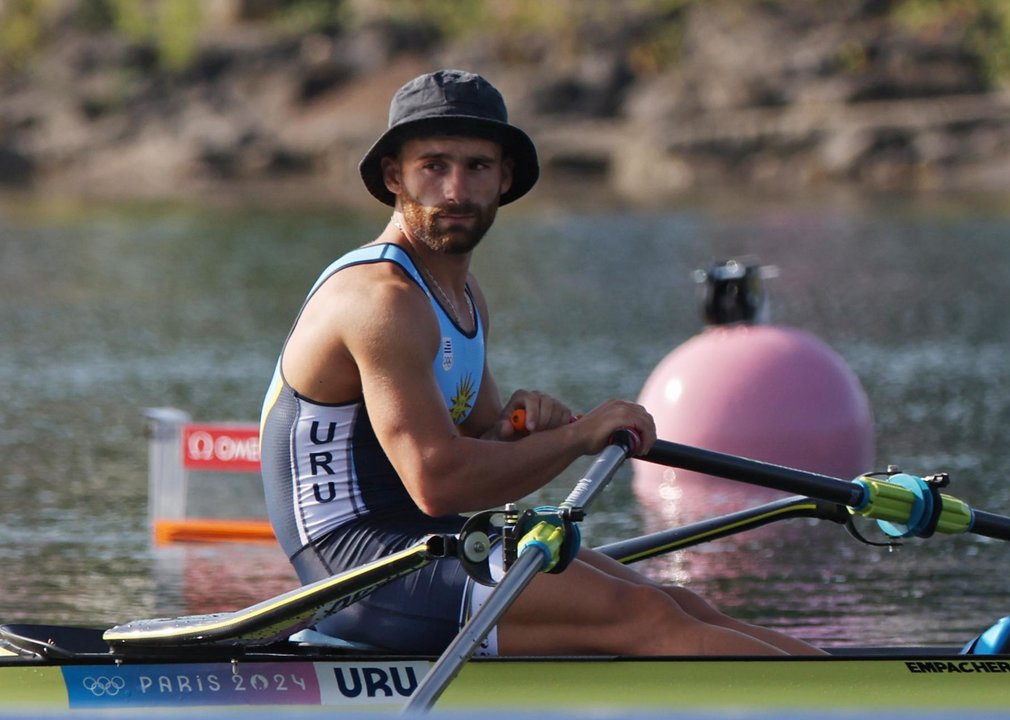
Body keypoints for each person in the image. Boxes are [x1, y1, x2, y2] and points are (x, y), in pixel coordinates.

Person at [260, 69, 821, 657]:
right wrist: (578, 437)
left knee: (683, 605)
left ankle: (850, 687)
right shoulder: (381, 299)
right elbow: (439, 480)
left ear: (504, 178)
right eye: (434, 166)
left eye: (477, 167)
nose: (455, 190)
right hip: (356, 573)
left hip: (428, 544)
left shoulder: (464, 293)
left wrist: (520, 426)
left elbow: (484, 440)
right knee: (645, 617)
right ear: (394, 175)